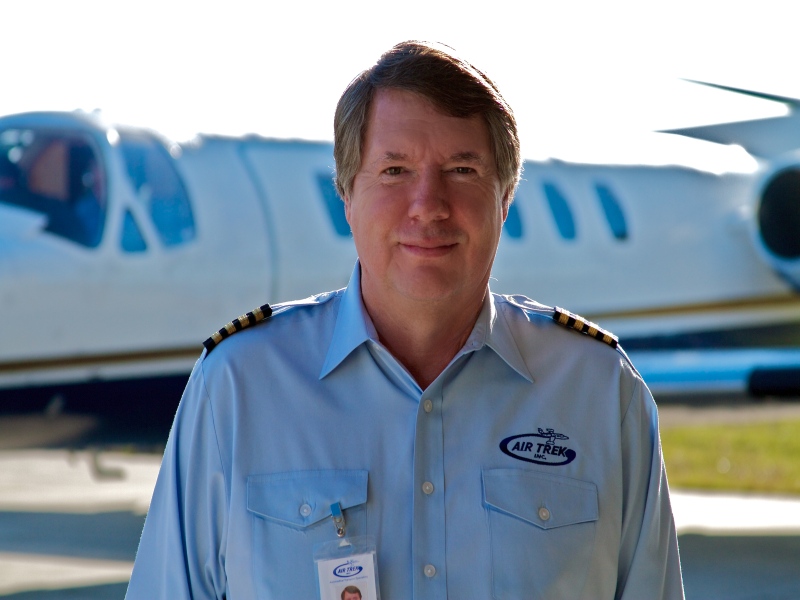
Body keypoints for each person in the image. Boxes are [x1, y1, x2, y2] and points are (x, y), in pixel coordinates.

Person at [126, 41, 684, 599]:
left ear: (506, 196)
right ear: (347, 194)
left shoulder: (599, 392)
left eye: (462, 170)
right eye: (394, 170)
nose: (428, 204)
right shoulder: (237, 388)